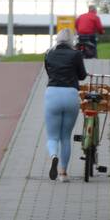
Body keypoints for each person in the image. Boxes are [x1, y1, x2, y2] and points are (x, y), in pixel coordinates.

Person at [44, 28, 87, 182]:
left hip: (53, 94)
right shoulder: (76, 54)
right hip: (70, 95)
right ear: (72, 40)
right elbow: (82, 75)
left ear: (57, 39)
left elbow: (49, 73)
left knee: (52, 137)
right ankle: (63, 173)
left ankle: (53, 156)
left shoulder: (49, 53)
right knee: (65, 137)